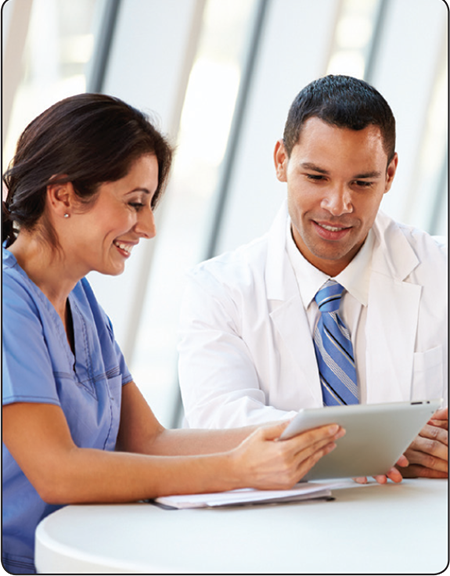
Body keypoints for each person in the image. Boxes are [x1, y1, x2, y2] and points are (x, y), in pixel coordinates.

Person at [2, 93, 348, 574]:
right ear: (61, 196)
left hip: (89, 550)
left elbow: (150, 441)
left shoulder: (79, 300)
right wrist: (234, 470)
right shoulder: (8, 304)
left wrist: (312, 441)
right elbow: (57, 472)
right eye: (134, 203)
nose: (148, 227)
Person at [178, 74, 448, 480]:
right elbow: (220, 425)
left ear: (390, 174)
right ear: (281, 162)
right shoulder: (219, 291)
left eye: (362, 182)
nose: (338, 205)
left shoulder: (439, 269)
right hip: (280, 525)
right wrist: (379, 445)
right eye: (317, 177)